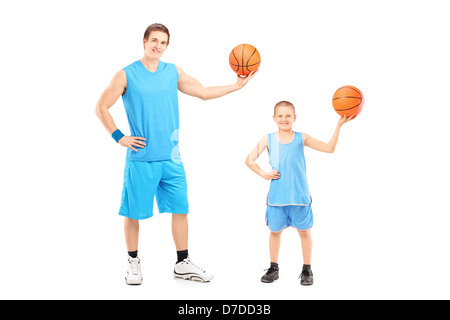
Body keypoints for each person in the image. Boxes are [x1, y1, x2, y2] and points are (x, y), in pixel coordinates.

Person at [95, 23, 256, 285]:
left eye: (164, 42)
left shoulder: (172, 72)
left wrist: (236, 87)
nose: (158, 46)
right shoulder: (125, 75)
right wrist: (119, 136)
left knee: (180, 209)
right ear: (144, 41)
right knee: (134, 213)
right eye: (154, 40)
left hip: (171, 158)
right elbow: (101, 106)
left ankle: (182, 263)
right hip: (142, 158)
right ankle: (133, 262)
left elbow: (203, 92)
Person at [245, 101, 354, 285]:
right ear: (274, 118)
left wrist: (339, 125)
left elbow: (329, 148)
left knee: (304, 232)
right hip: (277, 198)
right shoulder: (268, 139)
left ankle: (307, 270)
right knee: (274, 232)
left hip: (300, 196)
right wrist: (264, 173)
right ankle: (273, 267)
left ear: (294, 118)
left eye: (288, 116)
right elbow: (249, 160)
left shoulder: (302, 138)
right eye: (280, 115)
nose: (284, 119)